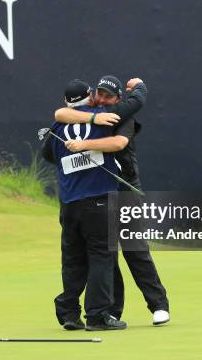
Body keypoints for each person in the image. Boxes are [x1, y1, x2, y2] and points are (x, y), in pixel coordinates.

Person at [55, 75, 170, 326]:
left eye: (109, 96)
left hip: (125, 191)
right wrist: (93, 119)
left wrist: (83, 145)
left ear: (118, 99)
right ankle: (111, 310)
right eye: (100, 93)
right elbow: (60, 114)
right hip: (99, 195)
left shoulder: (121, 116)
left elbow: (119, 142)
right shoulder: (88, 115)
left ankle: (158, 305)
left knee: (134, 249)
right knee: (106, 255)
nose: (103, 98)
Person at [41, 79, 128, 331]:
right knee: (102, 256)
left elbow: (50, 156)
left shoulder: (58, 127)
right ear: (90, 97)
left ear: (65, 102)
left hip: (69, 204)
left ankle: (69, 313)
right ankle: (98, 315)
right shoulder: (103, 116)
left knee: (73, 260)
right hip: (100, 199)